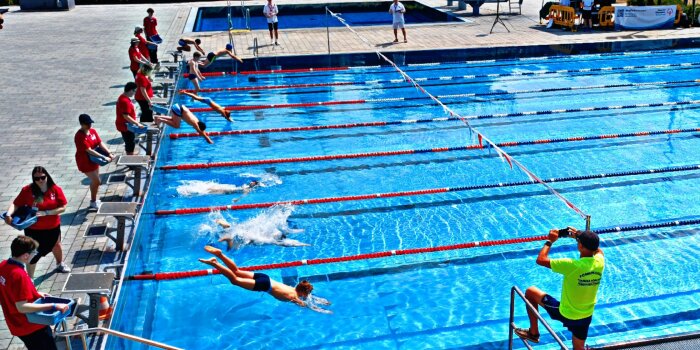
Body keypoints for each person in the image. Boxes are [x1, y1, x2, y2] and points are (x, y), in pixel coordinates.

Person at [514, 227, 605, 350]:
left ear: (581, 246)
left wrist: (550, 241)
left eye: (578, 242)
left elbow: (540, 260)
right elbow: (598, 251)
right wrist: (578, 236)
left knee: (530, 292)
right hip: (586, 316)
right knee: (578, 347)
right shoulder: (600, 262)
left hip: (566, 313)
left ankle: (533, 333)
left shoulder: (572, 265)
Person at [199, 246, 330, 313]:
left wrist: (323, 301)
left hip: (265, 277)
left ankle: (220, 254)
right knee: (235, 280)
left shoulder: (292, 288)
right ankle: (215, 263)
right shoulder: (294, 297)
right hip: (265, 284)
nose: (308, 295)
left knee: (237, 271)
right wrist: (322, 310)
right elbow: (308, 305)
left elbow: (310, 298)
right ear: (302, 293)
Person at [0, 236, 70, 350]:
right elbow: (22, 307)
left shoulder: (3, 265)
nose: (35, 254)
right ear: (26, 255)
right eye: (34, 252)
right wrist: (54, 306)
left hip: (15, 324)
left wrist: (34, 293)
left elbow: (10, 290)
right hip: (31, 326)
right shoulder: (19, 275)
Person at [4, 167, 70, 277]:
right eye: (37, 178)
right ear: (33, 179)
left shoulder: (55, 189)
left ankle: (60, 263)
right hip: (33, 230)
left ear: (47, 176)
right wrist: (8, 214)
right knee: (33, 254)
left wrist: (47, 212)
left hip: (53, 227)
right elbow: (16, 203)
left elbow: (63, 207)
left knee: (56, 245)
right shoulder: (27, 190)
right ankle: (30, 279)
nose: (40, 180)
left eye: (43, 177)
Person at [74, 114, 114, 210]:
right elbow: (89, 150)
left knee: (95, 182)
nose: (89, 125)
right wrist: (104, 157)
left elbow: (99, 143)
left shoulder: (93, 131)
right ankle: (93, 201)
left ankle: (94, 200)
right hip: (85, 161)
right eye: (87, 124)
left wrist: (109, 153)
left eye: (90, 123)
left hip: (94, 160)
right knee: (97, 181)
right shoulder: (79, 136)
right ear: (81, 124)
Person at [116, 82, 146, 155]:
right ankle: (130, 158)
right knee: (129, 142)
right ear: (130, 90)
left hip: (126, 124)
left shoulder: (123, 97)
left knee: (130, 140)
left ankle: (130, 153)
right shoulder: (124, 101)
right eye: (134, 91)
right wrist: (137, 123)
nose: (135, 93)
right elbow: (126, 116)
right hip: (125, 126)